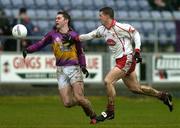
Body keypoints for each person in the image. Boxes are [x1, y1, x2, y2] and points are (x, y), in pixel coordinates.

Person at [78, 7, 173, 123]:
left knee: (108, 81)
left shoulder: (120, 27)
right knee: (136, 89)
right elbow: (89, 35)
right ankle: (163, 96)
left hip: (127, 58)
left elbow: (136, 34)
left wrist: (137, 50)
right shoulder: (102, 30)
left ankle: (110, 111)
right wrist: (75, 38)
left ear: (107, 16)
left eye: (101, 15)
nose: (99, 17)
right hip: (121, 61)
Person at [22, 11, 97, 124]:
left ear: (66, 20)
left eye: (59, 18)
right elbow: (39, 44)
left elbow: (81, 52)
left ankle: (93, 116)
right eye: (56, 18)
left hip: (74, 68)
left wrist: (83, 66)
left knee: (79, 97)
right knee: (67, 103)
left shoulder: (74, 35)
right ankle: (82, 103)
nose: (56, 20)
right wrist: (28, 50)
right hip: (60, 70)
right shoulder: (52, 35)